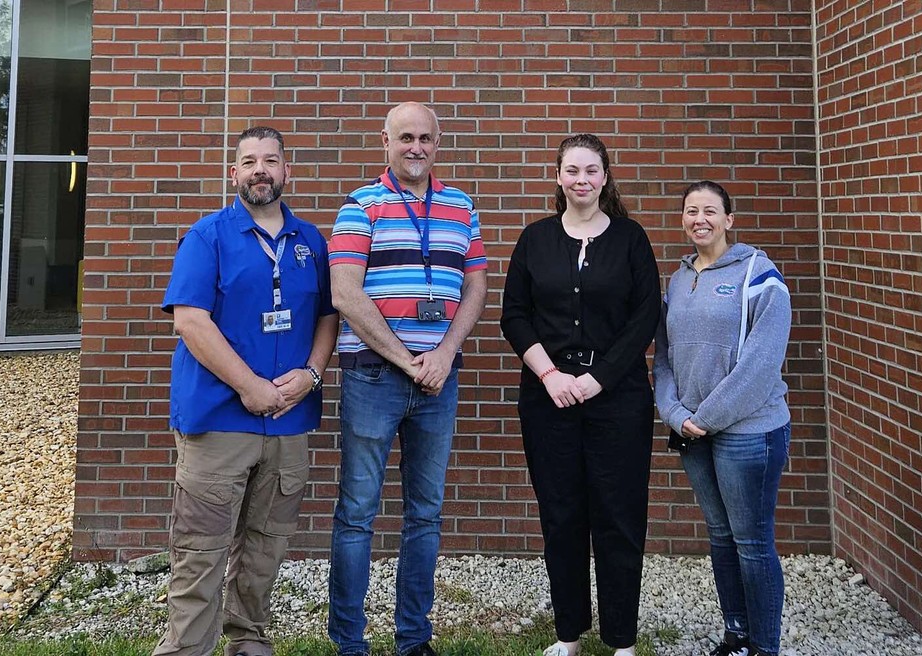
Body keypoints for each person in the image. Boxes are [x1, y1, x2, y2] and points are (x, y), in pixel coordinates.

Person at [155, 126, 339, 656]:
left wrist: (313, 373)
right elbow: (190, 321)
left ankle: (247, 638)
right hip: (219, 419)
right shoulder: (208, 235)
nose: (261, 169)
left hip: (289, 421)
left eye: (271, 160)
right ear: (233, 173)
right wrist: (251, 387)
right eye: (249, 161)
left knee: (266, 544)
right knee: (200, 548)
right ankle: (186, 649)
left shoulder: (311, 242)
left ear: (288, 170)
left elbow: (329, 316)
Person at [326, 102, 488, 656]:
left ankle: (413, 639)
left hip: (438, 380)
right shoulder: (360, 206)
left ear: (438, 142)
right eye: (405, 138)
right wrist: (405, 358)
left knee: (425, 513)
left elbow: (477, 289)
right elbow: (344, 293)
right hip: (375, 376)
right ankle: (350, 642)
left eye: (425, 138)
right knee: (357, 514)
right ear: (385, 143)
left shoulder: (461, 207)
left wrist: (443, 353)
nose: (415, 147)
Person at [500, 134, 661, 656]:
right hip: (549, 400)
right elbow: (515, 317)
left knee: (619, 514)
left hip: (618, 399)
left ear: (605, 178)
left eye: (591, 170)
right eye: (572, 170)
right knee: (562, 515)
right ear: (559, 177)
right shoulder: (535, 240)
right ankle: (568, 635)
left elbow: (645, 318)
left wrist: (600, 379)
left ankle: (622, 641)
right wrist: (550, 376)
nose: (582, 180)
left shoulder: (631, 239)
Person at [653, 181, 792, 656]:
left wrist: (706, 417)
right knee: (721, 536)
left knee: (752, 541)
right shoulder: (677, 279)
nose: (700, 220)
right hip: (692, 430)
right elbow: (665, 357)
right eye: (691, 211)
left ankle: (763, 646)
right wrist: (674, 412)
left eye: (710, 211)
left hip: (747, 431)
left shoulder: (760, 274)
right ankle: (736, 634)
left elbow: (762, 362)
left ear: (729, 219)